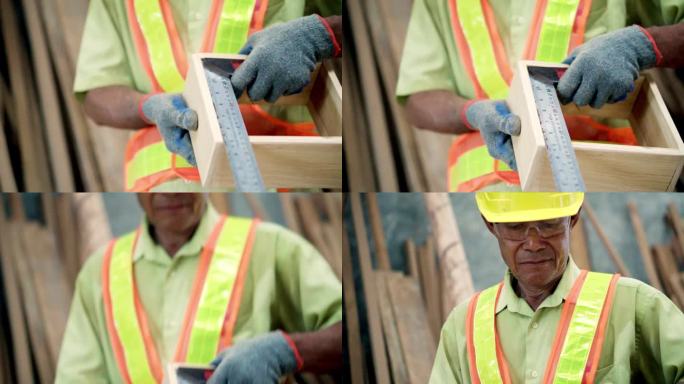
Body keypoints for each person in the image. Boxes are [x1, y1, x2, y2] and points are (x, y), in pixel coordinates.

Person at [396, 0, 684, 192]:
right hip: (485, 190)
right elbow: (418, 97)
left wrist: (643, 46)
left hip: (607, 178)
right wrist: (471, 112)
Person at [55, 193, 342, 383]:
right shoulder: (99, 271)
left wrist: (286, 350)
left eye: (184, 173)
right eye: (156, 178)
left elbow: (353, 333)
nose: (170, 190)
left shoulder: (271, 247)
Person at [74, 1, 342, 191]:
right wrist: (148, 106)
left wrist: (320, 35)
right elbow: (97, 94)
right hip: (161, 183)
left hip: (283, 177)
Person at [430, 192, 684, 383]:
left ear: (572, 219)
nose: (532, 243)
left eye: (548, 224)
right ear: (491, 226)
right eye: (515, 227)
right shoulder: (463, 325)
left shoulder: (634, 303)